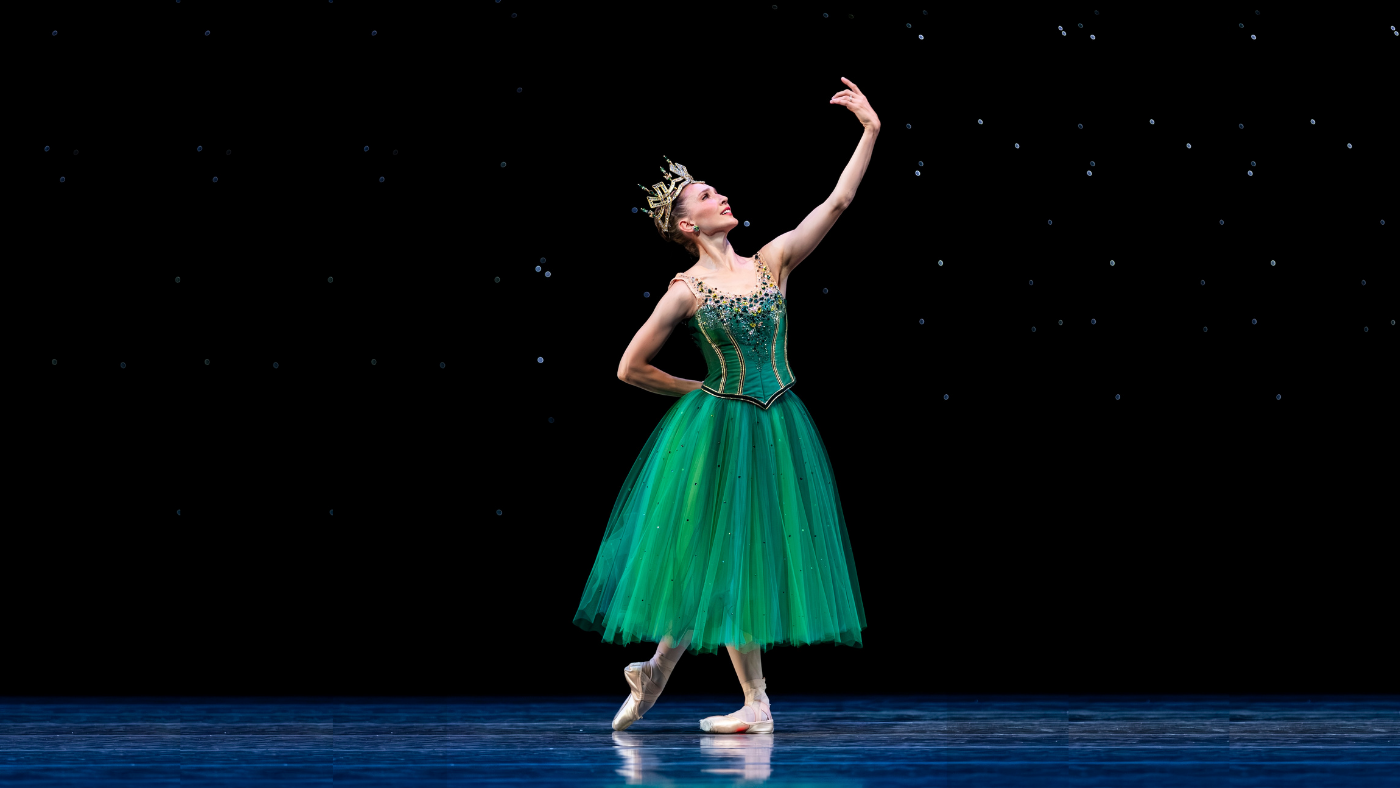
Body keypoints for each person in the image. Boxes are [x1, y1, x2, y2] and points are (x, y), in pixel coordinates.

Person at [573, 78, 880, 734]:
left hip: (778, 423)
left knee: (744, 554)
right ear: (689, 224)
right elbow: (630, 367)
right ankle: (730, 693)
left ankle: (678, 676)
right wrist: (699, 392)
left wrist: (870, 131)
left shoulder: (773, 262)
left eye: (718, 190)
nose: (722, 196)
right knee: (715, 553)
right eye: (708, 195)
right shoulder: (686, 290)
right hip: (719, 430)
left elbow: (839, 200)